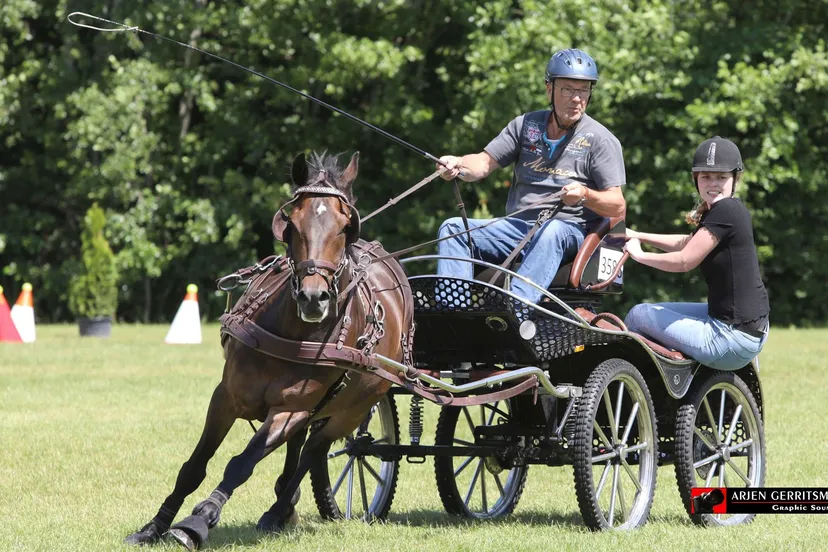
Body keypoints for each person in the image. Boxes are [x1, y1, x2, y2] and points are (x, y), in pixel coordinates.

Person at [435, 48, 626, 305]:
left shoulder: (600, 140)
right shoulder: (526, 126)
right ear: (550, 89)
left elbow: (617, 205)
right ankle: (452, 316)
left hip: (568, 231)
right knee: (453, 228)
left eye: (583, 91)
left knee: (553, 230)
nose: (576, 99)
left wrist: (585, 195)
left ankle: (515, 310)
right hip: (517, 227)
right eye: (568, 90)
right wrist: (457, 163)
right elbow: (482, 163)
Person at [624, 136, 770, 370]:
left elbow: (684, 261)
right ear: (696, 180)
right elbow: (687, 243)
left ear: (734, 179)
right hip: (745, 328)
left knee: (637, 315)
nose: (713, 183)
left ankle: (652, 382)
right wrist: (638, 235)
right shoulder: (725, 211)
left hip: (730, 337)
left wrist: (639, 256)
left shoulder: (726, 210)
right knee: (660, 310)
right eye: (706, 177)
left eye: (721, 177)